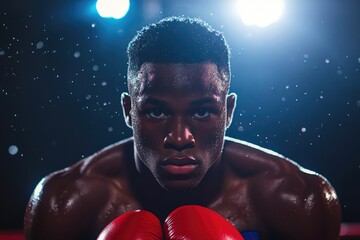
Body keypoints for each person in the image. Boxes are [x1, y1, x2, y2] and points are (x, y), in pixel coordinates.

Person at [24, 16, 341, 240]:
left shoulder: (297, 199)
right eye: (157, 111)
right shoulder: (64, 204)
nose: (178, 137)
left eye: (202, 112)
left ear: (228, 111)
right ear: (128, 111)